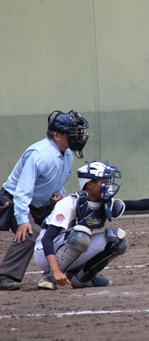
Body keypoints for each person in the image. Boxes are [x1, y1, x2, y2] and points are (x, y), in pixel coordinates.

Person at [34, 161, 149, 290]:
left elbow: (139, 205)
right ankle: (49, 277)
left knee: (117, 240)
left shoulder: (103, 202)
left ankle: (83, 278)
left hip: (70, 248)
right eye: (103, 180)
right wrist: (55, 270)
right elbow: (47, 238)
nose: (108, 184)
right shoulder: (69, 203)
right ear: (89, 184)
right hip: (45, 253)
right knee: (81, 235)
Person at [0, 110, 88, 291]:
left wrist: (59, 193)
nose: (77, 136)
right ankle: (4, 276)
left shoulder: (67, 154)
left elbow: (58, 183)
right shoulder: (39, 154)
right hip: (16, 201)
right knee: (30, 232)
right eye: (72, 133)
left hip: (42, 203)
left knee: (68, 227)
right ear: (57, 135)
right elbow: (22, 191)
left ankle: (73, 272)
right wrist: (22, 220)